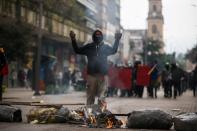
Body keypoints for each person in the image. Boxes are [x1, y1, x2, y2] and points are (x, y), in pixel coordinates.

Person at [69, 30, 122, 106]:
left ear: (102, 37)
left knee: (102, 98)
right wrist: (73, 39)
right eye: (96, 35)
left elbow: (114, 50)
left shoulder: (106, 47)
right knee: (90, 98)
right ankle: (90, 115)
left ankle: (101, 116)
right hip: (91, 76)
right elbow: (77, 50)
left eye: (99, 35)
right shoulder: (89, 47)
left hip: (103, 76)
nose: (98, 37)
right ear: (93, 37)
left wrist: (117, 39)